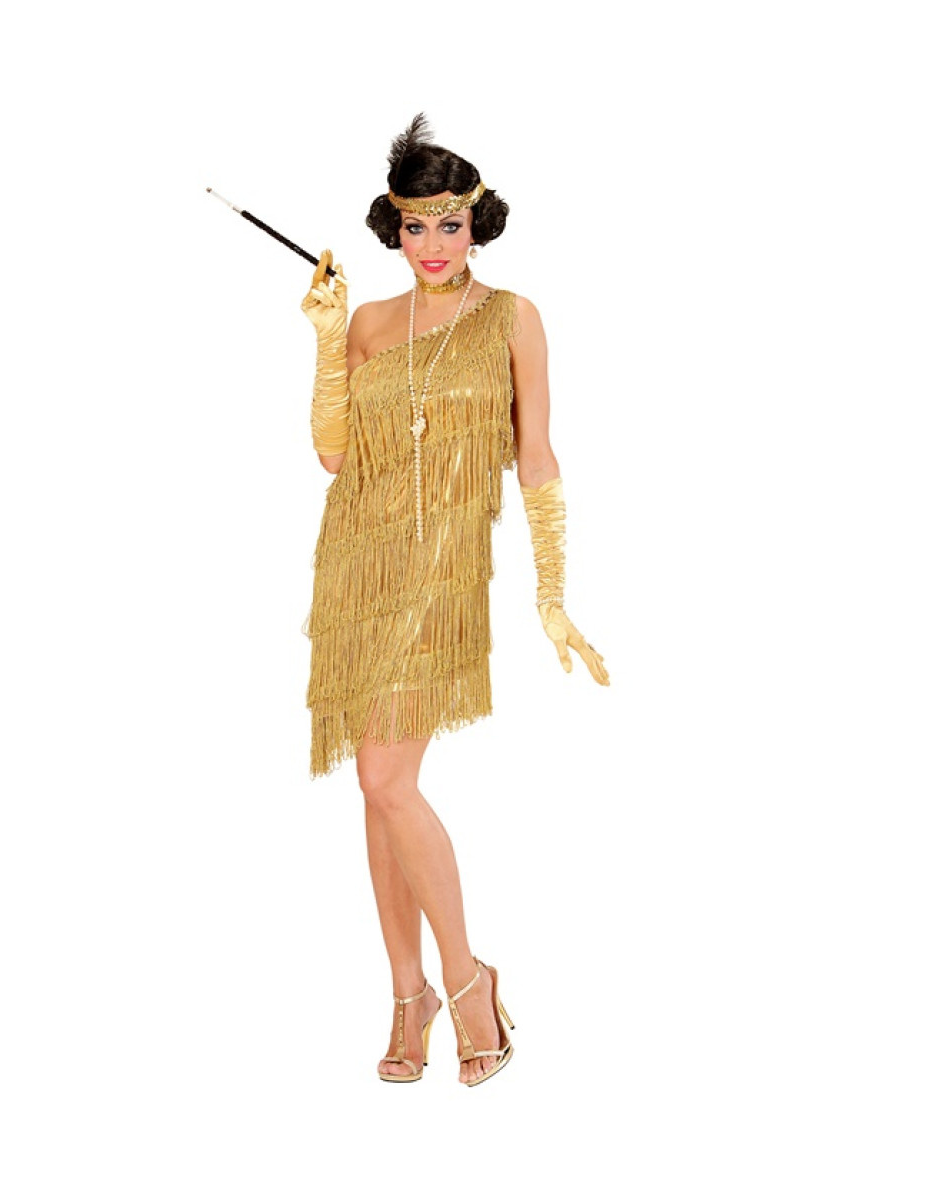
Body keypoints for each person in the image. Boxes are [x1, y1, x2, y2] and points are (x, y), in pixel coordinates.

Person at [298, 114, 609, 1087]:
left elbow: (537, 455)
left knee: (386, 779)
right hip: (358, 569)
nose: (433, 245)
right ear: (393, 227)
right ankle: (409, 993)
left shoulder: (513, 317)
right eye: (414, 226)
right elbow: (335, 454)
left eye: (449, 224)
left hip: (444, 575)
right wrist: (326, 340)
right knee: (376, 787)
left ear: (477, 223)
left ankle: (467, 979)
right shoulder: (369, 322)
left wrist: (552, 593)